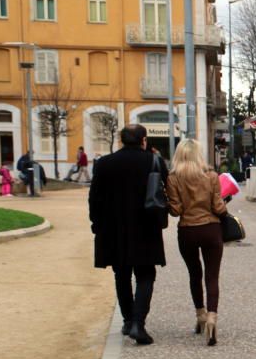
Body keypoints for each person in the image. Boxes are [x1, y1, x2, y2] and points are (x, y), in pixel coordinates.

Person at [89, 125, 166, 345]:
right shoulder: (154, 161)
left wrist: (96, 225)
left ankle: (127, 320)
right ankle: (138, 324)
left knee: (121, 274)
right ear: (143, 140)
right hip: (146, 226)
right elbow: (165, 191)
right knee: (145, 274)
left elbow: (94, 198)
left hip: (113, 228)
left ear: (122, 140)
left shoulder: (104, 164)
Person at [166, 139, 227, 346]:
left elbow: (176, 211)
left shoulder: (173, 178)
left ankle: (200, 315)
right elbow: (218, 207)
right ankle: (212, 318)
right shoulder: (211, 175)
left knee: (195, 274)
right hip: (211, 229)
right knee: (212, 276)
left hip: (187, 231)